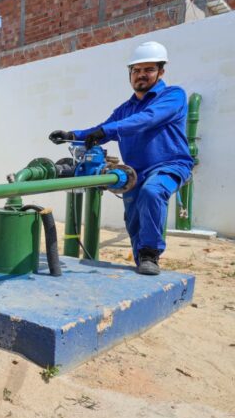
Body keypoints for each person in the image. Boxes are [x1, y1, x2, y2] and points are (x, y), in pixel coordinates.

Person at [49, 41, 193, 275]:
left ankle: (150, 254)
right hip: (135, 172)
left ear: (161, 72)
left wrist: (106, 132)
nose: (141, 75)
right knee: (134, 220)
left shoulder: (173, 95)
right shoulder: (125, 109)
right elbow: (103, 129)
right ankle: (142, 263)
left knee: (152, 192)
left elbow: (147, 118)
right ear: (130, 74)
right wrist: (73, 135)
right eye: (136, 71)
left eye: (148, 70)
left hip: (170, 165)